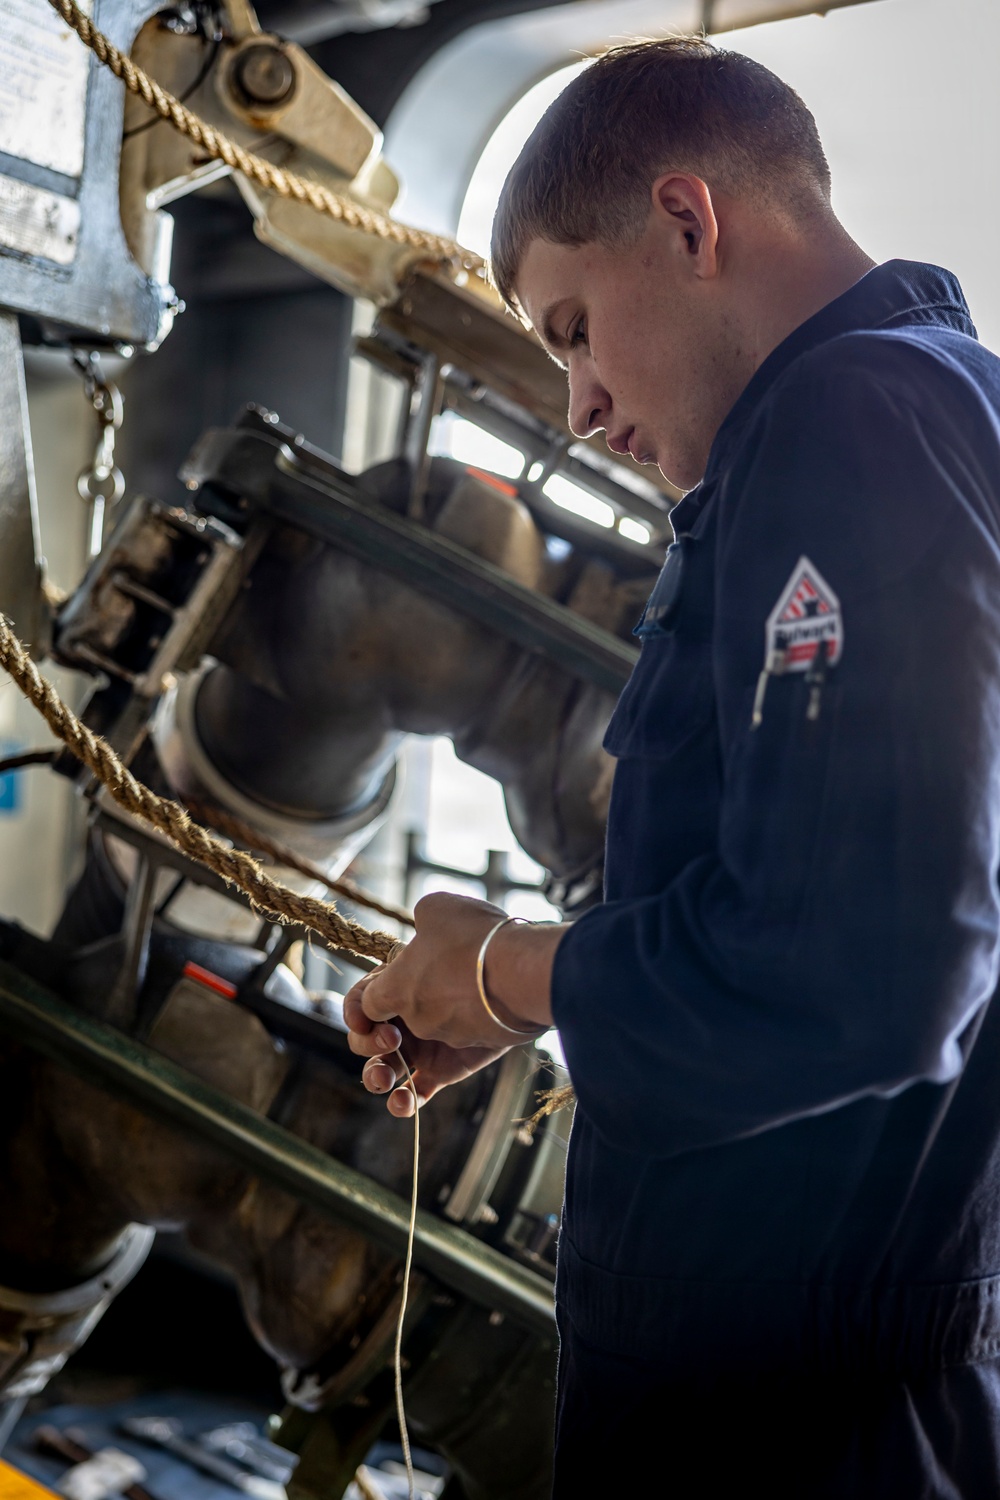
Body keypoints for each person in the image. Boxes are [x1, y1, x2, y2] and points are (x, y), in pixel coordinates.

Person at [345, 37, 1000, 1497]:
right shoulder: (942, 410)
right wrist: (549, 999)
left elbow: (865, 976)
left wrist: (512, 971)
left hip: (786, 1422)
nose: (576, 400)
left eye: (574, 326)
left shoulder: (852, 427)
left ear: (690, 222)